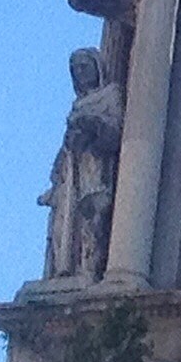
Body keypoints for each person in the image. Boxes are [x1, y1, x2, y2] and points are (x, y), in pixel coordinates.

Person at [40, 49, 124, 281]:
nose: (80, 73)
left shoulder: (109, 95)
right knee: (65, 224)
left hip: (95, 168)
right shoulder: (77, 104)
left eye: (84, 66)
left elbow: (114, 132)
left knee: (93, 219)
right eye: (75, 69)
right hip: (72, 171)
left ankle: (90, 268)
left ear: (97, 67)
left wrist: (92, 124)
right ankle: (68, 268)